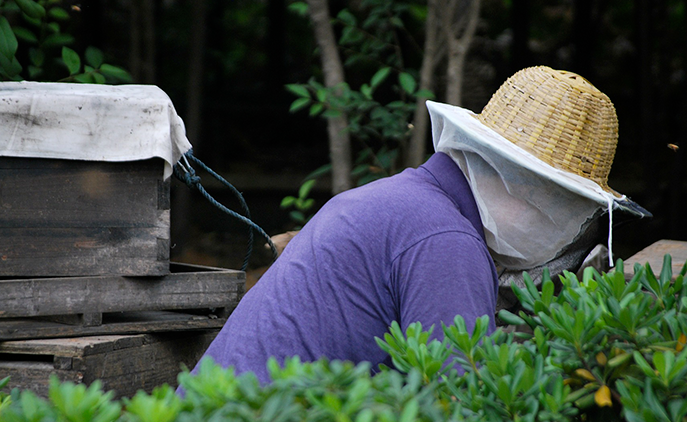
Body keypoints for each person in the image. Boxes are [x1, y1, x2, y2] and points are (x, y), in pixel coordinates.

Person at [177, 66, 650, 389]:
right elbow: (460, 399)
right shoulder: (445, 240)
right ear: (513, 179)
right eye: (556, 200)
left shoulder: (405, 202)